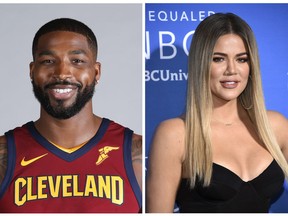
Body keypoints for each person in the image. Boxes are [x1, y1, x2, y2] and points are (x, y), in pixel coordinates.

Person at [146, 12, 288, 213]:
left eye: (242, 59)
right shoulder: (175, 134)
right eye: (219, 59)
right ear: (201, 63)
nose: (232, 70)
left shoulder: (276, 126)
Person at [0, 18, 142, 213]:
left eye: (77, 61)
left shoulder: (136, 153)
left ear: (96, 71)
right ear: (33, 71)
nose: (62, 73)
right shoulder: (5, 154)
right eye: (48, 61)